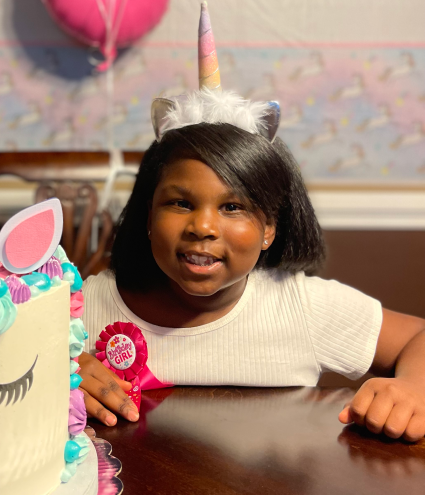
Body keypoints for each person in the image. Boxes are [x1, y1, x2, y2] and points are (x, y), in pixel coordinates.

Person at [76, 2, 425, 442]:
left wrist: (413, 387)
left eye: (232, 207)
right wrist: (60, 376)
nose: (202, 226)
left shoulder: (303, 308)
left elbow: (418, 336)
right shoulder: (84, 305)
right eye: (180, 204)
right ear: (148, 217)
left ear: (269, 229)